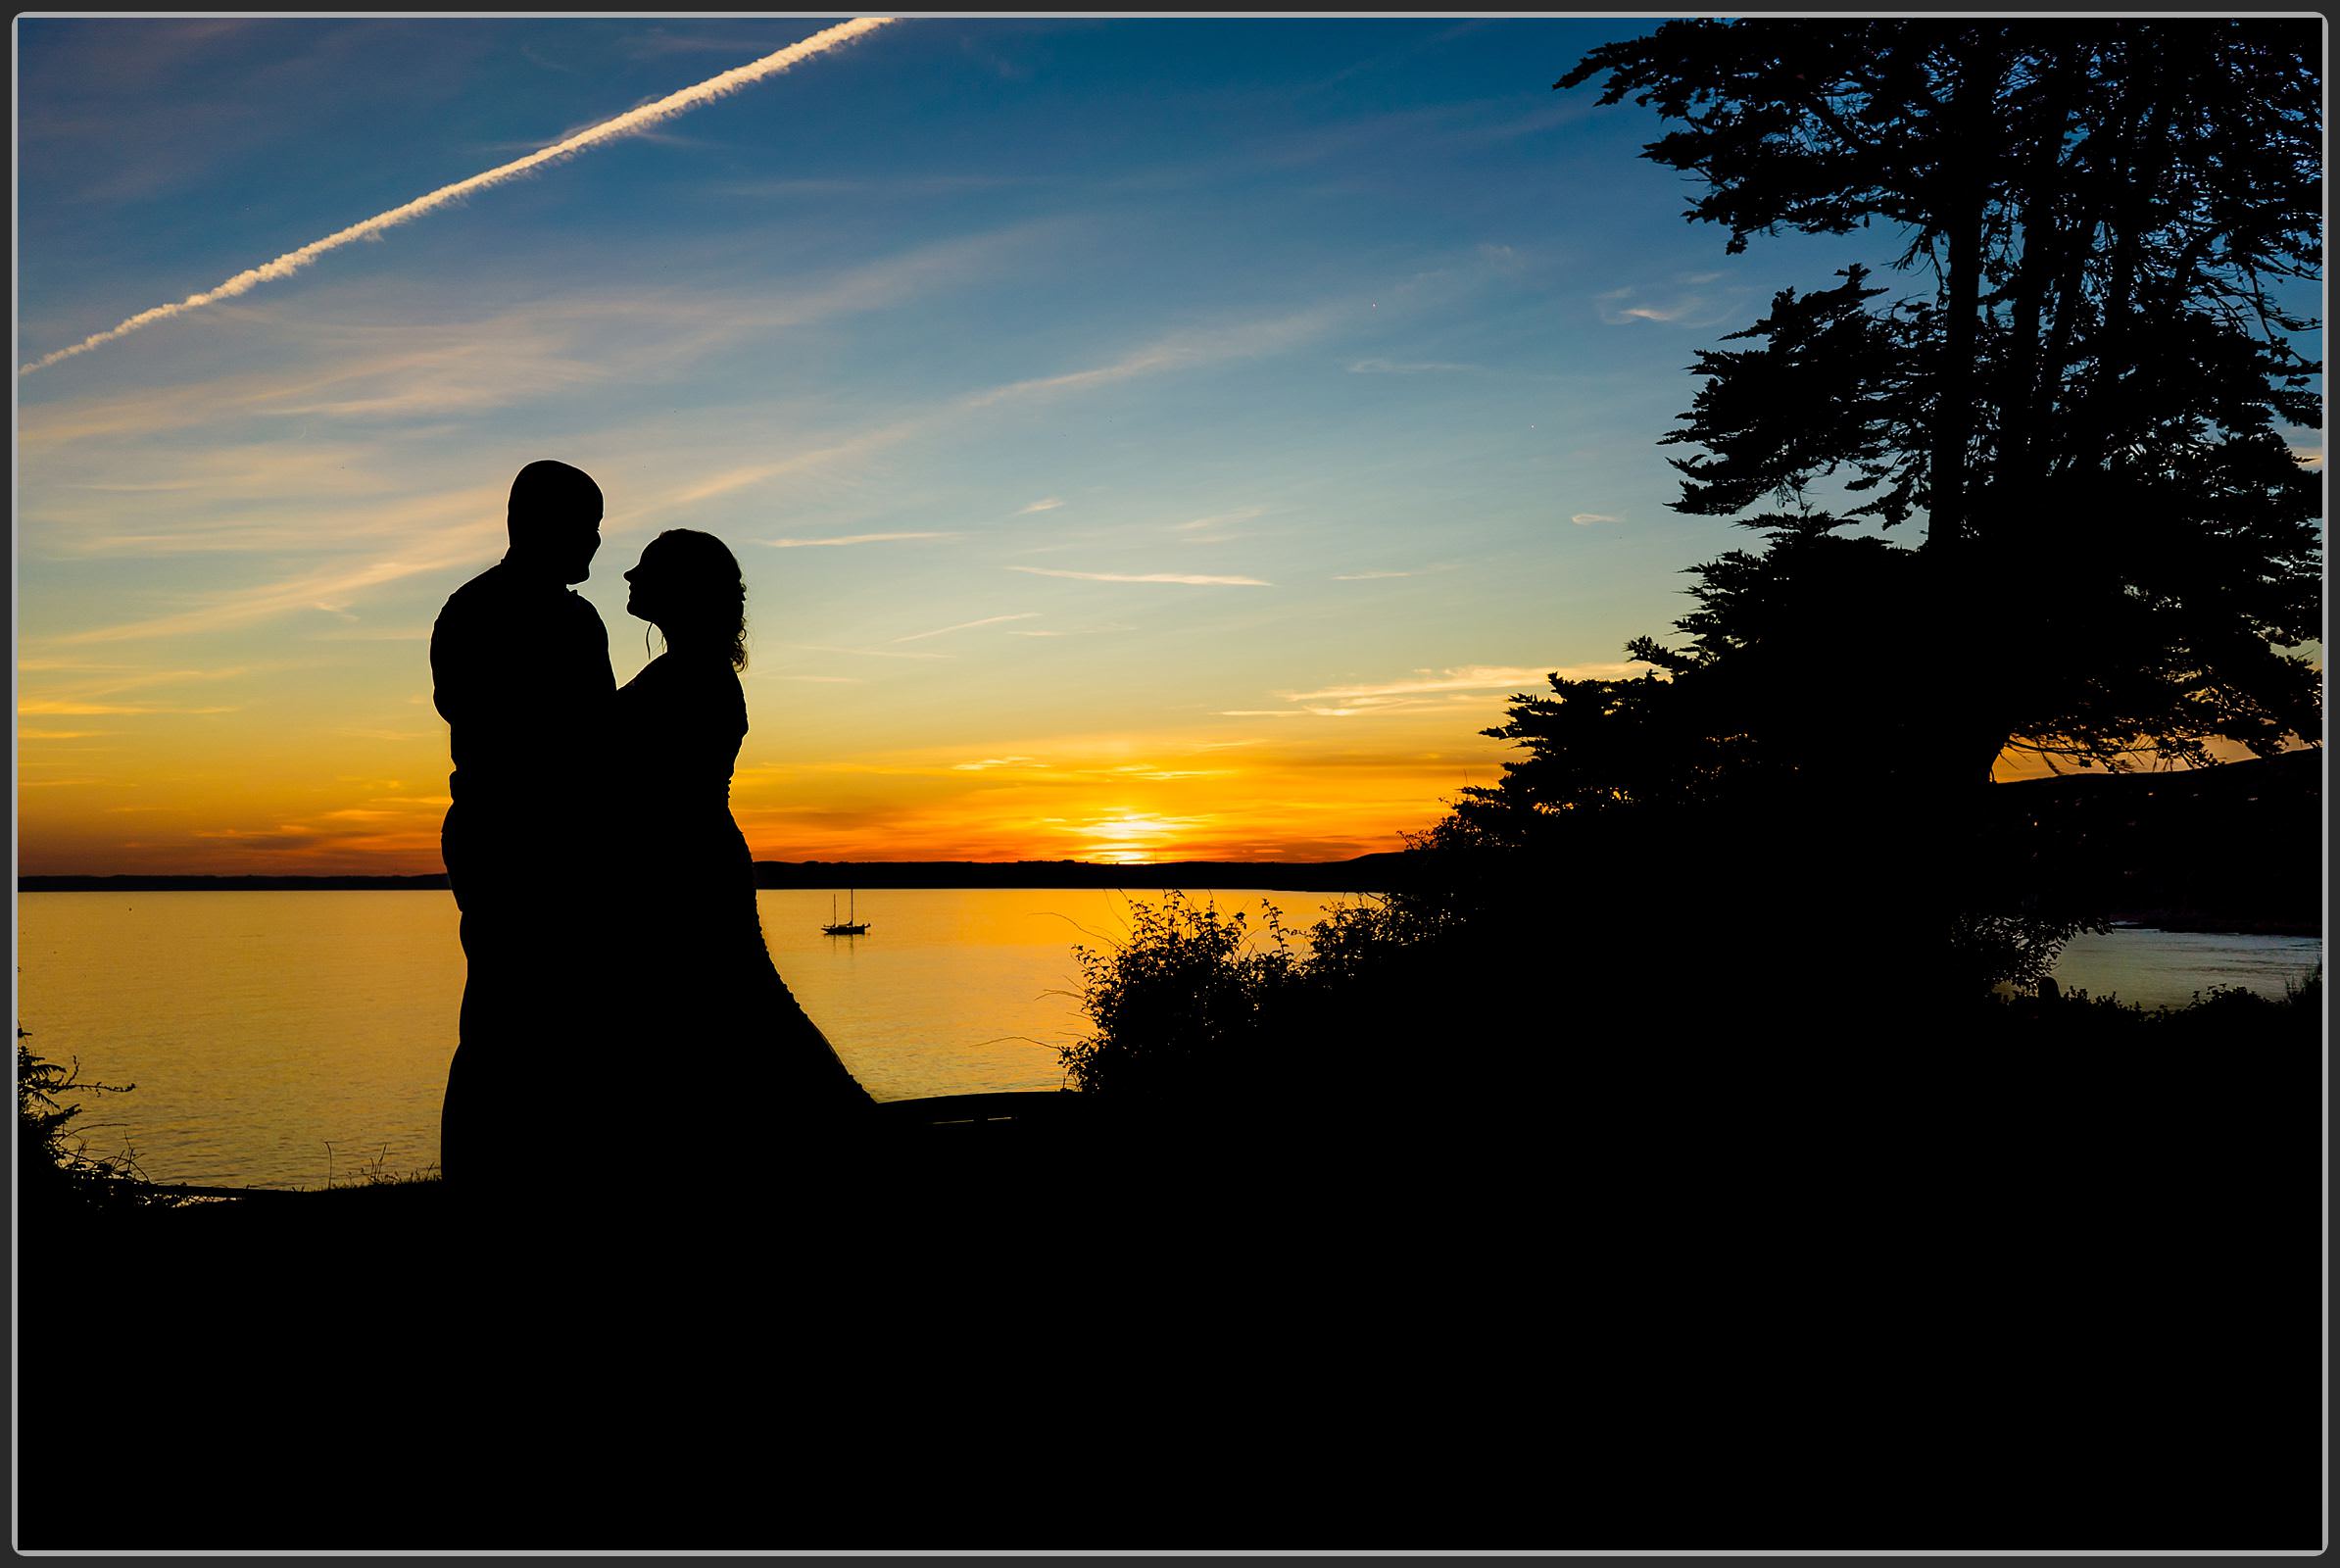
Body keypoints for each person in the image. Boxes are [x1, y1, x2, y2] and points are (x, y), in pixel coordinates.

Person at [615, 527, 877, 1183]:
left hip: (690, 868)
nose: (627, 577)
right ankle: (827, 1141)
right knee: (733, 1013)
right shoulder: (689, 669)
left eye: (644, 568)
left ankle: (858, 1139)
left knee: (746, 1011)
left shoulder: (690, 675)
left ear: (681, 589)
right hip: (691, 862)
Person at [432, 460, 616, 1193]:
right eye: (590, 528)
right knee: (504, 1017)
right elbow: (486, 716)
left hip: (556, 841)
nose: (598, 545)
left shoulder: (568, 617)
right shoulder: (483, 610)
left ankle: (543, 1170)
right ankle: (482, 1181)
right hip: (510, 840)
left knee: (554, 1022)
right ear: (546, 526)